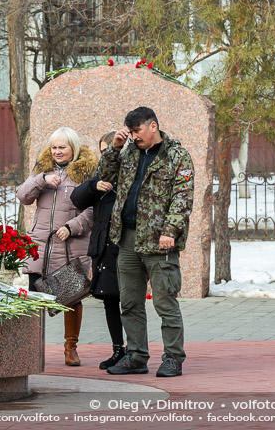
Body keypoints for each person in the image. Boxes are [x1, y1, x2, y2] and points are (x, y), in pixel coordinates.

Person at [95, 107, 194, 378]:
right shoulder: (128, 152)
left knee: (165, 303)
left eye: (137, 131)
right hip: (127, 239)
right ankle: (136, 356)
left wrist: (170, 231)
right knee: (129, 302)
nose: (134, 137)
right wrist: (114, 148)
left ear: (153, 126)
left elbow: (182, 198)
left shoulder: (176, 156)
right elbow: (105, 176)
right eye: (131, 132)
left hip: (159, 242)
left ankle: (173, 357)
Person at [16, 127, 96, 367]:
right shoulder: (42, 170)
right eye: (54, 147)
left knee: (72, 299)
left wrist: (73, 226)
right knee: (34, 298)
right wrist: (41, 180)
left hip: (69, 245)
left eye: (62, 147)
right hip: (41, 245)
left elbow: (94, 210)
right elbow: (22, 196)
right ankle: (31, 347)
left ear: (73, 148)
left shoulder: (85, 173)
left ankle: (70, 347)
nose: (57, 151)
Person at [71, 131, 126, 370]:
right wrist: (95, 185)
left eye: (112, 150)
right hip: (103, 248)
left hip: (125, 246)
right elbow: (77, 198)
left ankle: (134, 352)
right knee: (110, 301)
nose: (108, 155)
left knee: (131, 303)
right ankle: (117, 349)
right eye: (104, 151)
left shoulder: (132, 176)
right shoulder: (100, 178)